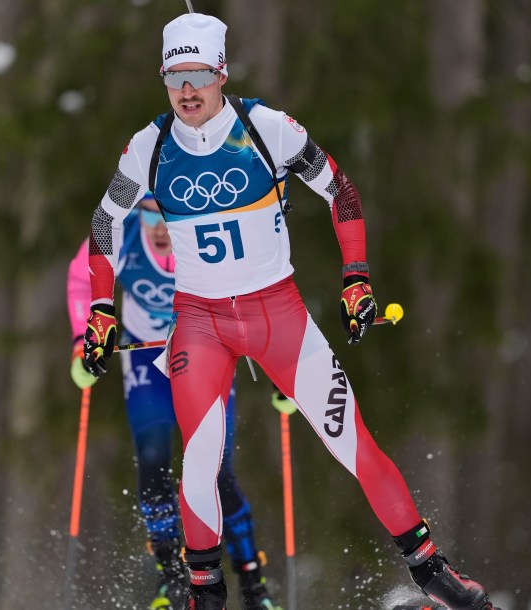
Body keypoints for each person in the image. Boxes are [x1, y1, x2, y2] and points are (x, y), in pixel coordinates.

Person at [80, 12, 500, 610]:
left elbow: (342, 191)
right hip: (199, 322)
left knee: (351, 442)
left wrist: (356, 279)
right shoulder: (148, 147)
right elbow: (104, 222)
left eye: (199, 73)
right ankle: (205, 593)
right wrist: (101, 308)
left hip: (280, 317)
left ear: (221, 72)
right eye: (175, 76)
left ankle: (433, 572)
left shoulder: (264, 127)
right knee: (197, 459)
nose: (188, 90)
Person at [67, 194, 284, 610]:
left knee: (218, 470)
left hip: (204, 348)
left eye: (171, 217)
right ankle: (173, 579)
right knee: (152, 459)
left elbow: (256, 292)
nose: (162, 228)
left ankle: (254, 587)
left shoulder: (209, 232)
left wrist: (277, 364)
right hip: (145, 355)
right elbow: (81, 277)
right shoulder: (122, 230)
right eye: (152, 215)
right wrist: (83, 339)